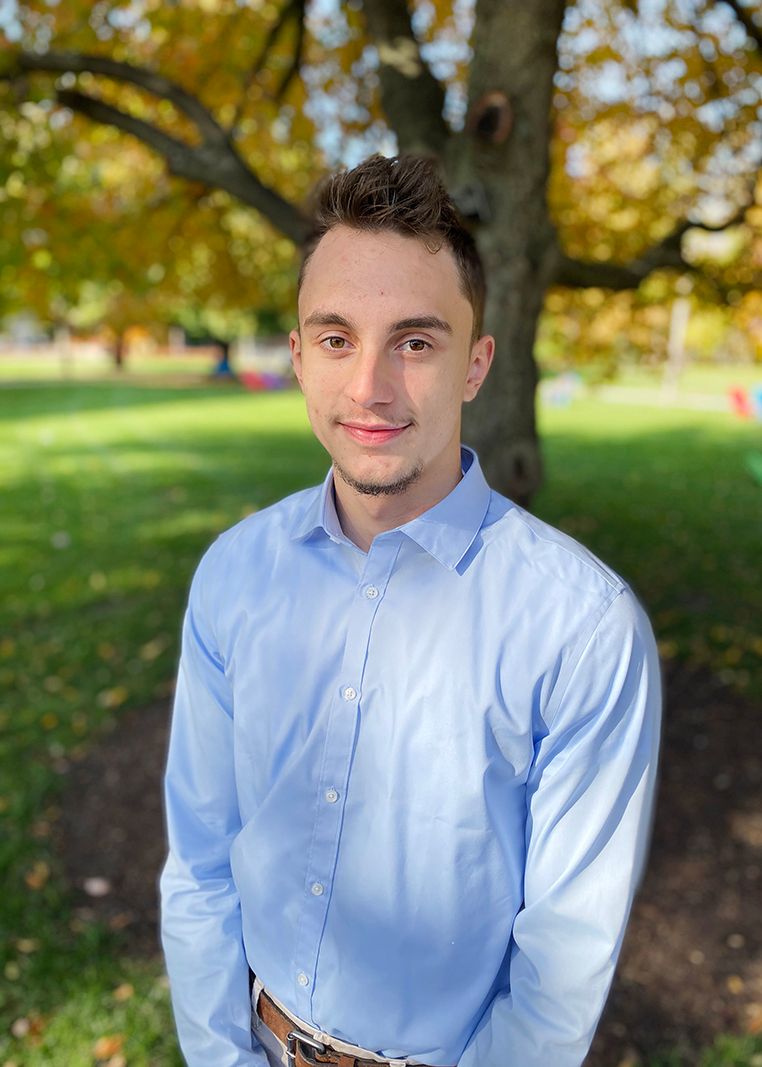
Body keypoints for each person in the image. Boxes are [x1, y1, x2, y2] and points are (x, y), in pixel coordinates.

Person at [160, 154, 661, 1067]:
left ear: (476, 366)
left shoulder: (582, 629)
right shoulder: (234, 574)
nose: (371, 388)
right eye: (339, 338)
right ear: (301, 354)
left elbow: (562, 964)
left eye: (416, 342)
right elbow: (198, 861)